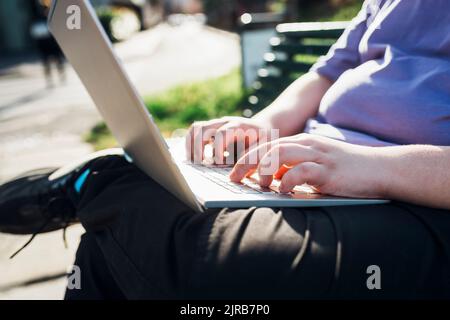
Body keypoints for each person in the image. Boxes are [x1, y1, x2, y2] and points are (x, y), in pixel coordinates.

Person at [1, 0, 450, 299]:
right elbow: (329, 72)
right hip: (317, 168)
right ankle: (107, 182)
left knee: (216, 258)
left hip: (416, 194)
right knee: (128, 231)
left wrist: (378, 167)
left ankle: (95, 182)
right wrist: (261, 126)